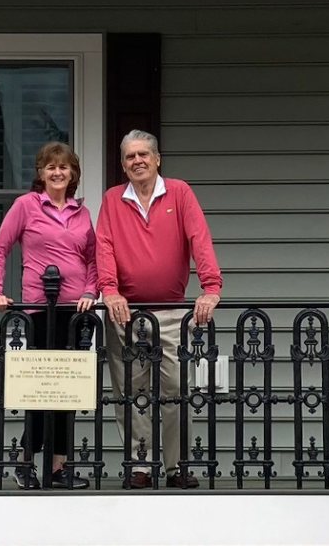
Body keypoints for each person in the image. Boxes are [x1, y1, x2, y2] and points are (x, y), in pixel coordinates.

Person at [95, 129, 222, 489]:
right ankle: (140, 466)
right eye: (130, 156)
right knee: (131, 393)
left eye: (143, 154)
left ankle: (175, 466)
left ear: (157, 158)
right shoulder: (112, 199)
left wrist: (210, 288)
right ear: (122, 164)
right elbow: (103, 246)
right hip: (125, 313)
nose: (137, 161)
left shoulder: (179, 192)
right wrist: (110, 290)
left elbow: (200, 238)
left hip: (171, 312)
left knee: (175, 390)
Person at [0, 141, 97, 490]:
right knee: (39, 391)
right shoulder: (26, 206)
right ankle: (26, 462)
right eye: (51, 167)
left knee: (69, 392)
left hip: (76, 313)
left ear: (73, 174)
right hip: (39, 311)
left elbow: (94, 260)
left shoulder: (82, 213)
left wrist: (91, 292)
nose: (57, 172)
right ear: (41, 173)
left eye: (64, 167)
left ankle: (59, 467)